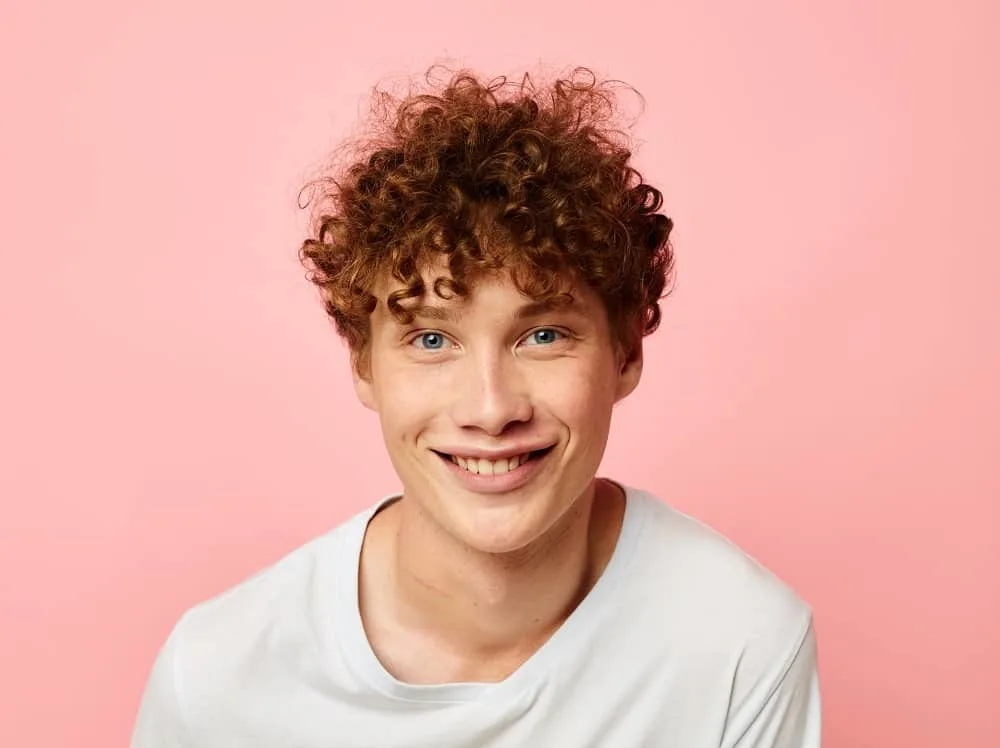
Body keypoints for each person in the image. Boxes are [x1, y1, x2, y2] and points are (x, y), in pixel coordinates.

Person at [131, 66, 821, 747]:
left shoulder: (740, 643)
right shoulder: (218, 678)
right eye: (432, 339)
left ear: (627, 354)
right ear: (363, 367)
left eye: (543, 335)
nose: (491, 410)